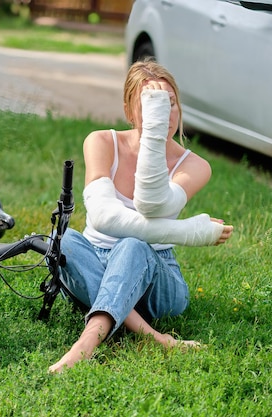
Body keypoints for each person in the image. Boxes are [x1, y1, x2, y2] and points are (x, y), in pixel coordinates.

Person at [48, 60, 234, 373]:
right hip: (94, 259)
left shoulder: (196, 165)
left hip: (158, 279)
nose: (165, 112)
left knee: (132, 243)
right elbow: (104, 216)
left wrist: (154, 135)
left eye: (170, 103)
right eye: (151, 103)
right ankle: (155, 338)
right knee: (61, 241)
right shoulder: (101, 141)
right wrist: (187, 230)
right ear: (129, 110)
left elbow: (153, 205)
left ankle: (87, 342)